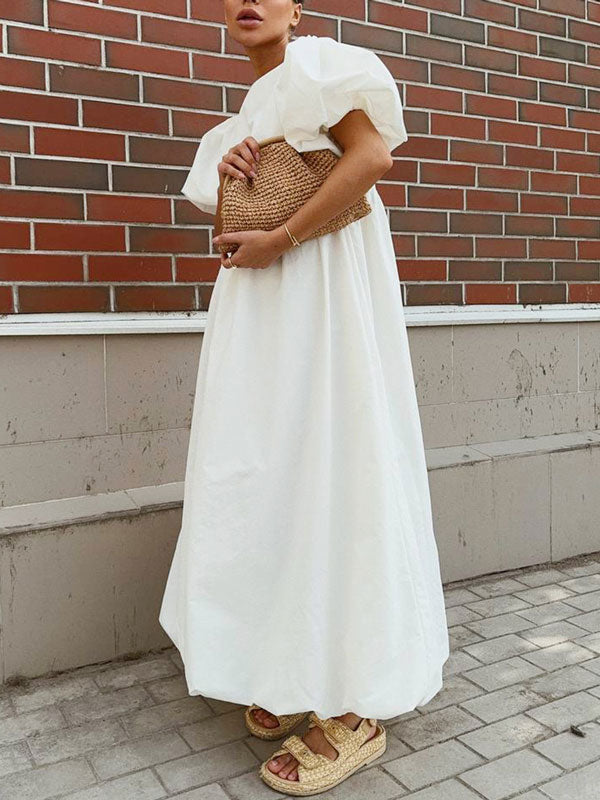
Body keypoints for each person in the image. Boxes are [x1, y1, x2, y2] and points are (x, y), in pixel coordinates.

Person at [159, 0, 450, 794]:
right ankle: (297, 666)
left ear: (296, 8)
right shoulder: (250, 107)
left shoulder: (320, 65)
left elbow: (371, 157)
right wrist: (237, 172)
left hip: (322, 293)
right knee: (272, 468)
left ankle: (357, 705)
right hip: (268, 302)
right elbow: (245, 197)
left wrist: (282, 237)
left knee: (339, 458)